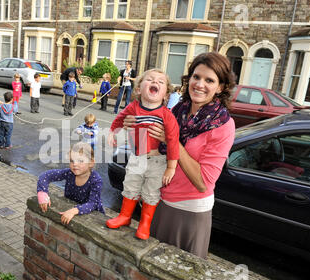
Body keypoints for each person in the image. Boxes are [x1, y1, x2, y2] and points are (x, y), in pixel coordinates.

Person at [123, 52, 236, 258]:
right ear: (189, 79)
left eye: (209, 80)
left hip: (189, 212)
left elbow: (203, 182)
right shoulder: (178, 110)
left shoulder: (223, 125)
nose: (200, 84)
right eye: (196, 77)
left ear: (220, 87)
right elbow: (150, 151)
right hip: (160, 200)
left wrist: (172, 140)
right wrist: (134, 126)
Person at [106, 69, 180, 240]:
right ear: (138, 89)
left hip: (157, 161)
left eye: (161, 82)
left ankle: (144, 224)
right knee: (130, 186)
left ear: (166, 94)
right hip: (137, 158)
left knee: (151, 192)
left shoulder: (166, 115)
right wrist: (112, 132)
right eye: (150, 80)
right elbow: (119, 119)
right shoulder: (133, 107)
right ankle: (125, 216)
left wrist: (171, 167)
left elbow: (173, 141)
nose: (155, 82)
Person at [37, 142, 104, 225]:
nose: (75, 164)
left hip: (92, 217)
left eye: (80, 161)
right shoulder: (69, 173)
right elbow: (45, 176)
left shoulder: (96, 180)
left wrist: (74, 211)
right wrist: (42, 193)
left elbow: (92, 203)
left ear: (91, 163)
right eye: (72, 161)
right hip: (69, 207)